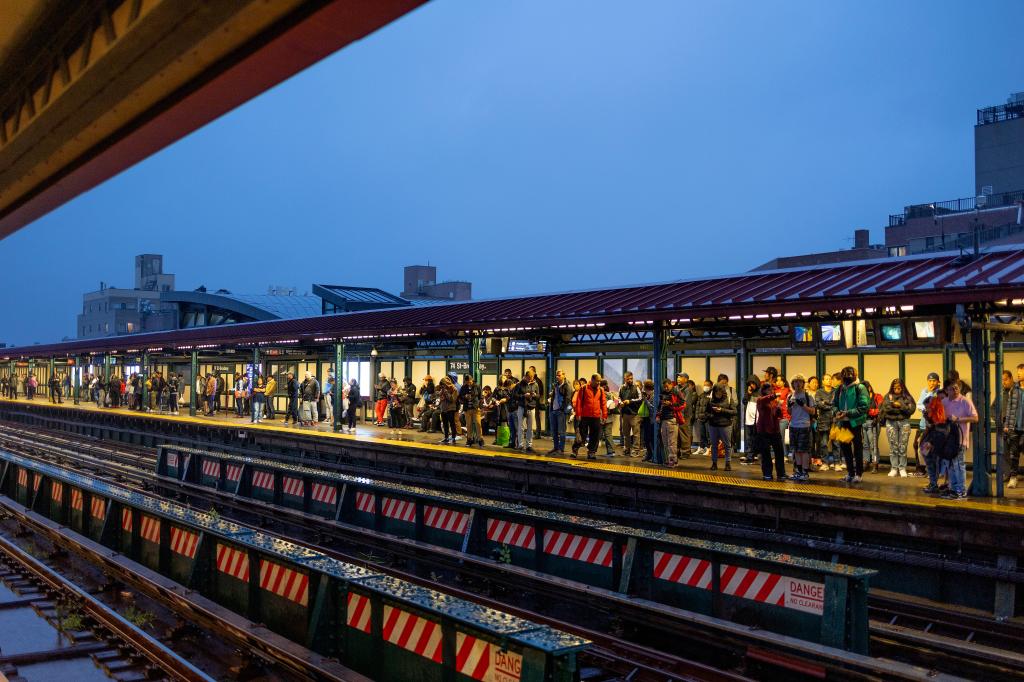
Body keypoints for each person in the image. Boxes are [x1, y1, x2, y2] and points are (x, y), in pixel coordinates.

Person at [941, 380, 978, 500]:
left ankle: (961, 490)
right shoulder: (944, 402)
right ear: (946, 390)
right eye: (952, 389)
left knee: (958, 464)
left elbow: (975, 418)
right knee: (950, 464)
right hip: (947, 439)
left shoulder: (965, 401)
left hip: (960, 438)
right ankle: (953, 488)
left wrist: (959, 419)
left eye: (957, 388)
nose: (955, 391)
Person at [834, 366, 869, 484]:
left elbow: (864, 407)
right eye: (845, 376)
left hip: (856, 423)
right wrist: (837, 412)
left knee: (857, 449)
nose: (847, 378)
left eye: (849, 376)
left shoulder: (860, 387)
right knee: (845, 448)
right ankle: (850, 473)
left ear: (855, 376)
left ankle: (858, 474)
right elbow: (834, 404)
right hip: (843, 422)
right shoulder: (840, 388)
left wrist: (847, 413)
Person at [880, 378, 915, 477]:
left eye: (899, 387)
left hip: (904, 422)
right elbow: (886, 409)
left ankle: (902, 468)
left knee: (903, 446)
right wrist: (901, 409)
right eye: (895, 388)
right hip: (891, 422)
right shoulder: (888, 396)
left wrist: (899, 405)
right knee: (893, 446)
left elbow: (911, 410)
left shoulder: (907, 397)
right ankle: (894, 468)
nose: (897, 389)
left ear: (902, 387)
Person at [755, 382, 786, 481]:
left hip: (774, 429)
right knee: (766, 453)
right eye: (768, 390)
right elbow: (765, 399)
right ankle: (767, 473)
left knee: (779, 452)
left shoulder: (773, 401)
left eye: (771, 390)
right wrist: (774, 395)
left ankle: (781, 473)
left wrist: (778, 408)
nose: (770, 391)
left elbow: (779, 415)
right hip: (763, 430)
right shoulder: (760, 400)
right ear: (763, 391)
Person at [786, 375, 815, 481]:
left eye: (800, 382)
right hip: (793, 425)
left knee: (804, 450)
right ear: (792, 384)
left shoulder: (808, 396)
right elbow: (789, 412)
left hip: (804, 425)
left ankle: (805, 472)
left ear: (803, 383)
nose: (797, 384)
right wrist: (789, 405)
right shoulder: (790, 396)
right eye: (795, 382)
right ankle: (798, 471)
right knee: (796, 450)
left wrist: (803, 405)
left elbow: (813, 411)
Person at [1001, 364, 1024, 489]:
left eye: (1021, 371)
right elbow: (1009, 409)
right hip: (1015, 427)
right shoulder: (1014, 390)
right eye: (1018, 371)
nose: (1019, 374)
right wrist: (1007, 425)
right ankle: (1013, 477)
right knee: (1013, 454)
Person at [913, 372, 941, 475]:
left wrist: (925, 407)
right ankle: (928, 470)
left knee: (932, 450)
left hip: (934, 427)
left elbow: (933, 407)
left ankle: (934, 472)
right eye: (930, 381)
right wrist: (925, 407)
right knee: (923, 449)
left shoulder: (939, 392)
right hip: (924, 425)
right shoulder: (924, 391)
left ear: (938, 382)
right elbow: (919, 405)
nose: (932, 383)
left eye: (934, 381)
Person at [574, 374, 607, 460]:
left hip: (595, 416)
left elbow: (603, 403)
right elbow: (579, 401)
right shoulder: (584, 388)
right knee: (582, 434)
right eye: (597, 381)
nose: (599, 383)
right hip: (585, 415)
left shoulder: (601, 390)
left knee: (595, 435)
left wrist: (604, 415)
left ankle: (592, 452)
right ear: (592, 380)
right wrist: (578, 414)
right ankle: (575, 449)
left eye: (600, 381)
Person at [705, 383, 736, 471]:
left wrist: (722, 410)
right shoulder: (710, 400)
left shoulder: (729, 400)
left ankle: (728, 463)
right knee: (714, 445)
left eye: (719, 392)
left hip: (725, 425)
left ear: (723, 392)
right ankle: (714, 463)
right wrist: (711, 415)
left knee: (727, 445)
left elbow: (734, 412)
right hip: (713, 425)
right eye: (716, 392)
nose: (718, 394)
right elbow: (706, 412)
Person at [656, 379, 683, 466]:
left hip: (672, 419)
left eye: (668, 386)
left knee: (672, 442)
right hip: (664, 419)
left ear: (671, 384)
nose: (666, 388)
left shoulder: (676, 392)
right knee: (665, 441)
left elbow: (683, 404)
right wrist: (658, 415)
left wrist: (670, 404)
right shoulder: (663, 393)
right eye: (665, 387)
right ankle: (670, 459)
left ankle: (673, 461)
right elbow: (660, 406)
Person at [813, 374, 837, 471]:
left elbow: (836, 404)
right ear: (823, 381)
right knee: (823, 443)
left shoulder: (835, 391)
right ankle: (825, 462)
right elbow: (818, 404)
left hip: (834, 420)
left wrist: (825, 402)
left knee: (836, 443)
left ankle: (837, 463)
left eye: (830, 379)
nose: (829, 381)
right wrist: (829, 404)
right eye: (826, 379)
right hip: (823, 420)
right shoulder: (819, 392)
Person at [548, 370, 572, 455]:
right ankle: (555, 447)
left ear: (563, 376)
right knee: (554, 431)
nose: (557, 377)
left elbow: (568, 399)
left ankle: (561, 449)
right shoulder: (556, 385)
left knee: (562, 431)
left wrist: (562, 409)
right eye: (556, 375)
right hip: (553, 410)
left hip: (560, 411)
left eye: (559, 375)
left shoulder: (567, 385)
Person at [516, 371, 541, 453]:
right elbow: (515, 395)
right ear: (525, 376)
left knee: (530, 428)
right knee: (521, 427)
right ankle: (520, 445)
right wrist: (524, 396)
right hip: (522, 407)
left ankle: (529, 445)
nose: (530, 379)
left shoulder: (535, 384)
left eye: (532, 378)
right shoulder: (520, 384)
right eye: (529, 378)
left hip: (531, 407)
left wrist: (534, 395)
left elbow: (538, 396)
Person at [862, 380, 883, 473]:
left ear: (869, 388)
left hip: (873, 422)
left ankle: (875, 463)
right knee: (865, 444)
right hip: (863, 422)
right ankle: (866, 462)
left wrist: (869, 411)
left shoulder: (877, 396)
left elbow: (881, 409)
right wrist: (870, 411)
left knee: (873, 445)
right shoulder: (861, 398)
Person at [458, 374, 483, 447]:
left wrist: (479, 406)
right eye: (467, 382)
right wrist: (464, 396)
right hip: (467, 408)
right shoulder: (463, 387)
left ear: (472, 380)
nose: (468, 383)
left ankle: (480, 439)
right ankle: (469, 439)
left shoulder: (477, 386)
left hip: (475, 408)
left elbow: (481, 397)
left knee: (478, 424)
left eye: (469, 381)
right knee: (468, 425)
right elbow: (460, 397)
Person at [675, 374, 695, 457]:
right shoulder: (676, 388)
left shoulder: (688, 389)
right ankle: (678, 451)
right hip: (677, 414)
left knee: (684, 433)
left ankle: (685, 452)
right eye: (678, 377)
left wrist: (679, 412)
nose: (678, 378)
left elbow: (686, 403)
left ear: (686, 379)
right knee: (677, 434)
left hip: (685, 415)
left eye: (680, 377)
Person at [740, 378, 760, 463]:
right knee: (749, 438)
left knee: (756, 438)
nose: (751, 386)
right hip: (749, 419)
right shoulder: (748, 393)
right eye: (750, 384)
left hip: (758, 419)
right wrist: (748, 393)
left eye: (753, 383)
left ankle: (754, 455)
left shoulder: (760, 393)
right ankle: (749, 455)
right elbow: (744, 402)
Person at [599, 379, 620, 456]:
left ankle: (592, 451)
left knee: (600, 434)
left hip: (602, 416)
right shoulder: (610, 394)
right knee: (608, 435)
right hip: (610, 417)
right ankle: (611, 451)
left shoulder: (601, 393)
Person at [693, 380, 713, 456]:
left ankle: (709, 449)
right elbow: (697, 406)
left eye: (707, 385)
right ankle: (701, 447)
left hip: (708, 418)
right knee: (702, 434)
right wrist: (697, 416)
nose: (705, 387)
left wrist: (709, 416)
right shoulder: (701, 395)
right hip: (700, 418)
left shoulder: (712, 395)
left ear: (711, 386)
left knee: (709, 434)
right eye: (704, 385)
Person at [437, 376, 458, 444]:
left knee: (452, 423)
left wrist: (446, 392)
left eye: (443, 385)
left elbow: (452, 399)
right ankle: (446, 437)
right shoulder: (443, 390)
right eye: (441, 385)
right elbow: (440, 398)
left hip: (450, 409)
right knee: (445, 424)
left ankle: (453, 437)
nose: (442, 386)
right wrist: (441, 393)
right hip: (443, 408)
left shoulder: (454, 389)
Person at [639, 379, 656, 463]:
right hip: (646, 419)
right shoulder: (648, 395)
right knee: (646, 438)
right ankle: (649, 454)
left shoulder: (653, 395)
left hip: (651, 420)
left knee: (651, 439)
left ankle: (653, 455)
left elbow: (653, 408)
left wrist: (645, 401)